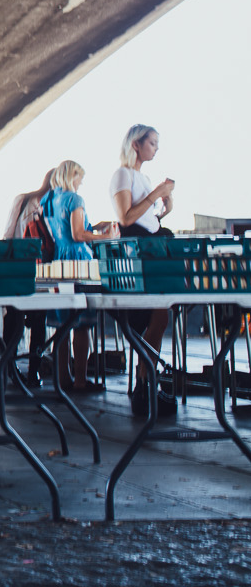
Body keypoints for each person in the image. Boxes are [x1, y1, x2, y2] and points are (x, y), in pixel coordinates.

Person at [110, 124, 177, 418]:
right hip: (136, 256)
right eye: (152, 142)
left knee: (160, 316)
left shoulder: (143, 178)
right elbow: (126, 219)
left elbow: (148, 218)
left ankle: (145, 381)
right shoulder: (122, 175)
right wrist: (155, 194)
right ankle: (144, 382)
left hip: (151, 250)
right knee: (154, 316)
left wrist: (165, 207)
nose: (156, 148)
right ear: (136, 144)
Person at [39, 160, 120, 393]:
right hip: (79, 261)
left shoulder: (48, 200)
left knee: (62, 324)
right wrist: (106, 237)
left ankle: (63, 379)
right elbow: (78, 235)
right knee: (82, 323)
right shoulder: (75, 199)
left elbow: (64, 230)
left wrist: (95, 226)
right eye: (79, 177)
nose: (81, 182)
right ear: (71, 175)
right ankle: (81, 381)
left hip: (59, 260)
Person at [2, 169, 61, 384]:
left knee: (16, 318)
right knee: (37, 320)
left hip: (19, 267)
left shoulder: (24, 200)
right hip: (41, 269)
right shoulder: (53, 205)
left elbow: (8, 235)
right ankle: (32, 370)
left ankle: (10, 366)